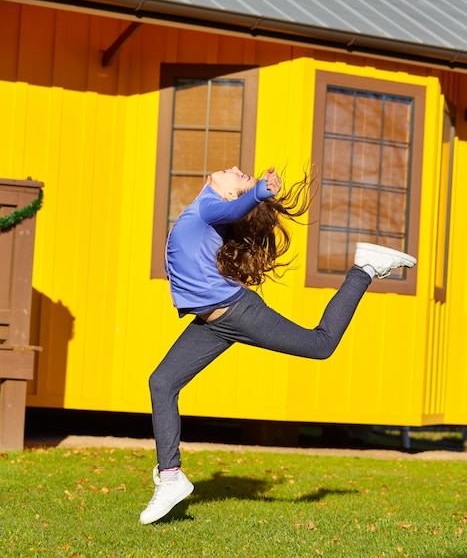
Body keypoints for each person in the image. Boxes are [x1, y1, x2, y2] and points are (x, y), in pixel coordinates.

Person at [140, 166, 416, 525]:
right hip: (213, 324)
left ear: (227, 194)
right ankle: (172, 477)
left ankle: (364, 268)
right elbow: (231, 216)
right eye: (239, 173)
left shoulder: (212, 207)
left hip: (236, 314)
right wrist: (252, 192)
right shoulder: (204, 209)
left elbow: (234, 210)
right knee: (162, 382)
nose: (236, 170)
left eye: (239, 177)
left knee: (321, 344)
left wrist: (256, 192)